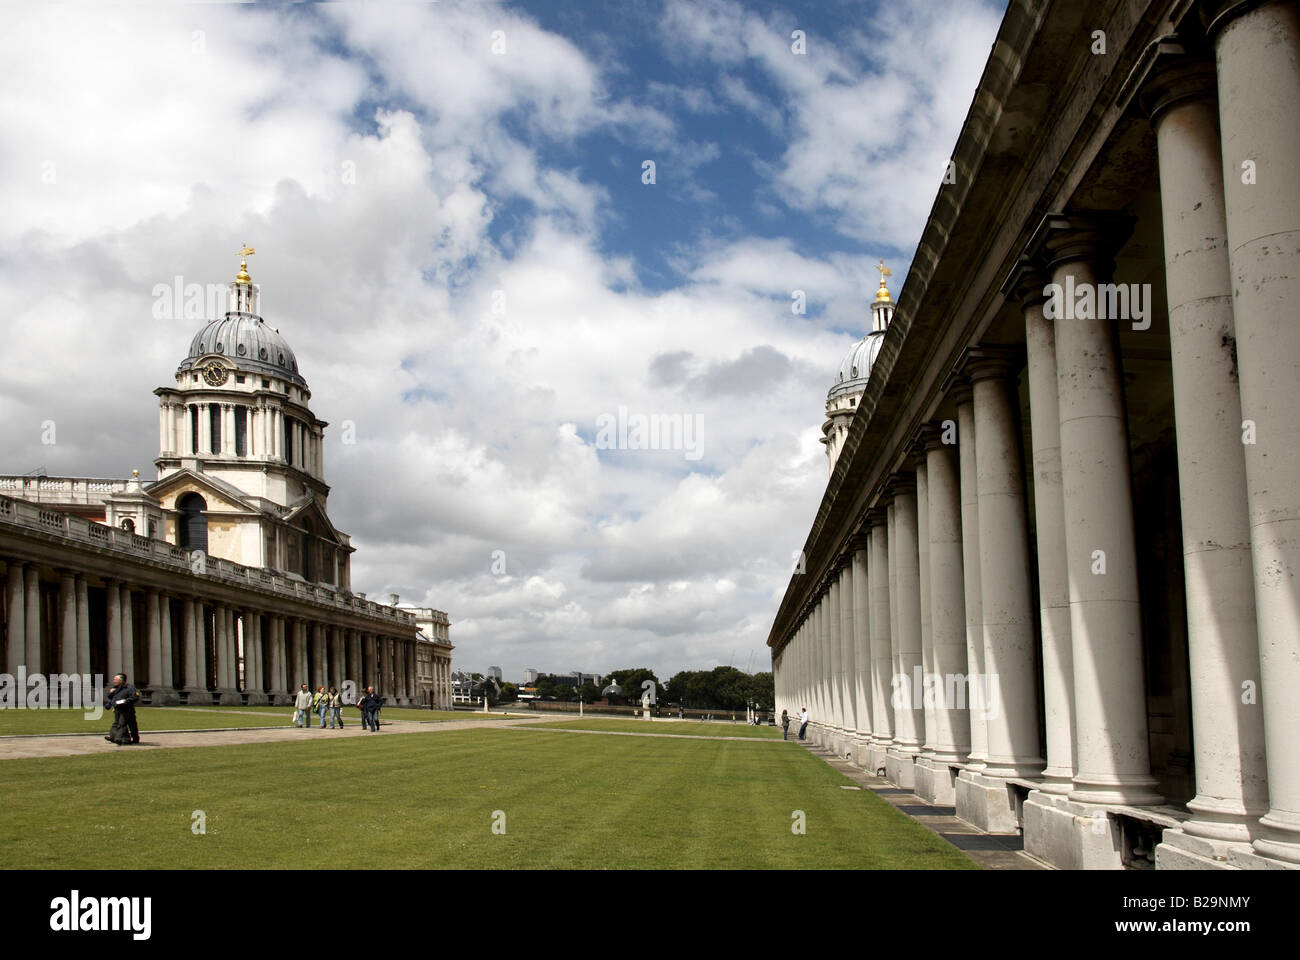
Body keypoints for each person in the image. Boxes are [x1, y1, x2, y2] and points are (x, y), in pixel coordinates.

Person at [103, 673, 140, 745]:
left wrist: (125, 701)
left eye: (115, 679)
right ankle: (114, 737)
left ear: (121, 680)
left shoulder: (130, 688)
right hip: (118, 709)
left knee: (125, 724)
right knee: (117, 724)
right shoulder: (116, 688)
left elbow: (135, 697)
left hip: (127, 710)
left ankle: (122, 739)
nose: (114, 681)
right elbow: (113, 698)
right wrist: (110, 703)